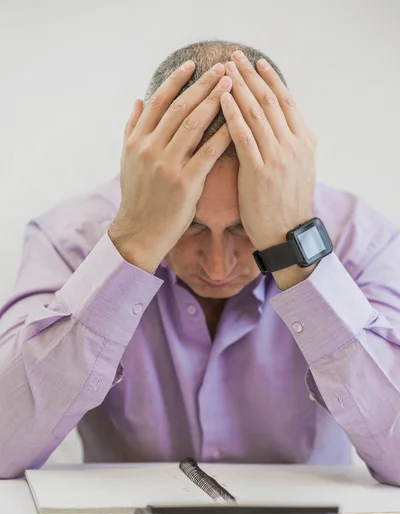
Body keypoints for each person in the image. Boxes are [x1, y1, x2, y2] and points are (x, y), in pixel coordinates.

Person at [1, 39, 400, 484]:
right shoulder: (67, 241)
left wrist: (295, 251)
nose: (216, 266)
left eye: (245, 229)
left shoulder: (362, 242)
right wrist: (135, 243)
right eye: (188, 225)